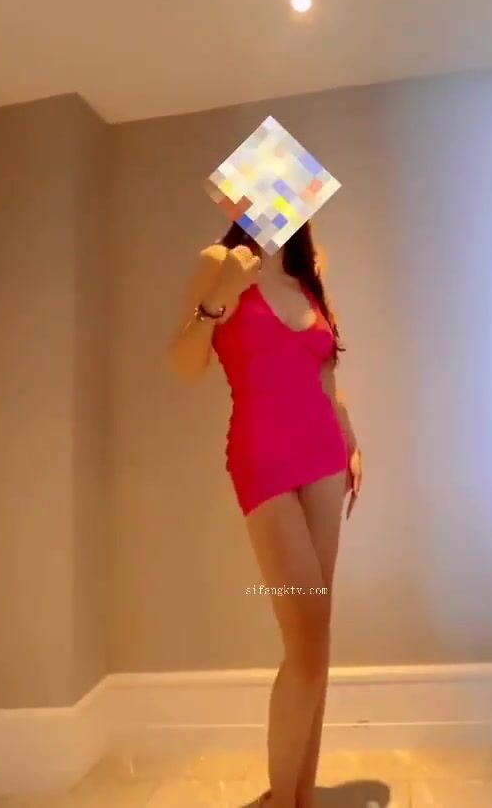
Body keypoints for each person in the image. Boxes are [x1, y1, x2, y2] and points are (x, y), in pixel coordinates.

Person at [167, 218, 362, 808]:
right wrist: (221, 297)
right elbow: (184, 364)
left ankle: (301, 795)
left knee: (317, 636)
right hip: (263, 459)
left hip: (325, 455)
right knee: (304, 636)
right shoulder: (218, 261)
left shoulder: (309, 269)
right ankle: (283, 799)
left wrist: (351, 440)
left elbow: (325, 372)